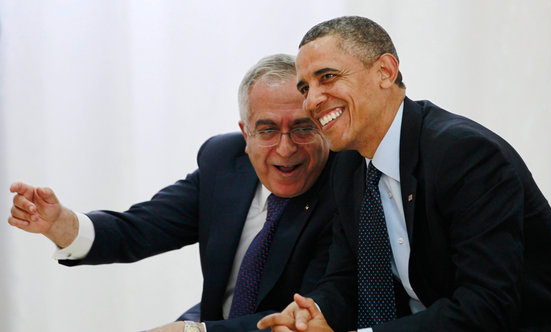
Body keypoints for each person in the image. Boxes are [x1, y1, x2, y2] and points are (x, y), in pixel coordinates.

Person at [258, 16, 551, 332]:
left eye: (327, 77)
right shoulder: (348, 165)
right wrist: (312, 312)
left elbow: (487, 306)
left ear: (385, 72)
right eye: (305, 88)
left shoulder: (465, 155)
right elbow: (346, 278)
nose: (312, 100)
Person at [8, 54, 335, 332]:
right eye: (267, 130)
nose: (285, 146)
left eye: (303, 127)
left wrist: (197, 331)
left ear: (322, 125)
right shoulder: (224, 162)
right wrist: (61, 223)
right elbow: (138, 229)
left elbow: (313, 311)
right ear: (245, 134)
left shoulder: (344, 186)